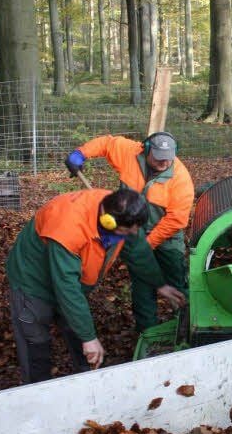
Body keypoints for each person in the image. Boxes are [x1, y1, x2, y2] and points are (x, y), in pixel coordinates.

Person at [6, 188, 186, 384]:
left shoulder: (124, 213)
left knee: (77, 325)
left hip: (69, 277)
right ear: (107, 221)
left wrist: (159, 284)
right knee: (36, 341)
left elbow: (138, 250)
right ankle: (36, 389)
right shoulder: (68, 229)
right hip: (32, 279)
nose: (133, 234)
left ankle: (87, 376)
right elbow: (68, 289)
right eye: (127, 232)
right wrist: (89, 337)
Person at [64, 132, 194, 333]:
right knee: (142, 284)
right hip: (133, 228)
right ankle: (147, 331)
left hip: (167, 234)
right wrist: (81, 153)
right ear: (147, 150)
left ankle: (186, 324)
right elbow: (107, 144)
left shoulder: (181, 178)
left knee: (176, 279)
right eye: (159, 157)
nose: (164, 162)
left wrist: (147, 244)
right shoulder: (130, 153)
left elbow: (177, 219)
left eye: (168, 158)